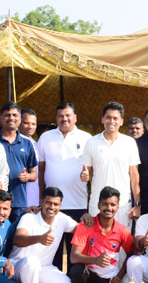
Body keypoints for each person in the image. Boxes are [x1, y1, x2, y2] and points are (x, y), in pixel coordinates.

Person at [9, 187, 79, 283]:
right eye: (48, 203)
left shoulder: (62, 219)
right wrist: (39, 239)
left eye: (56, 204)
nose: (52, 207)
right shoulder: (29, 217)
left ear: (60, 205)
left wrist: (87, 219)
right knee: (32, 261)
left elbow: (82, 230)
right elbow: (18, 239)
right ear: (41, 201)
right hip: (17, 267)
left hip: (43, 268)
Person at [37, 103, 92, 271]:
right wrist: (40, 198)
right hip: (52, 205)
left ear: (75, 117)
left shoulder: (86, 138)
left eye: (68, 115)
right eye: (60, 116)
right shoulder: (46, 138)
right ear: (56, 118)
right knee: (53, 250)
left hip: (78, 204)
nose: (64, 119)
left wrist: (89, 175)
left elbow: (93, 168)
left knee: (76, 249)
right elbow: (41, 169)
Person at [69, 187, 134, 283]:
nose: (108, 208)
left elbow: (131, 254)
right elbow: (74, 257)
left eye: (112, 204)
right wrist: (96, 260)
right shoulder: (86, 225)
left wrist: (120, 276)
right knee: (77, 270)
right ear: (98, 205)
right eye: (104, 204)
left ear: (117, 207)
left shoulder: (122, 230)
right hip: (90, 277)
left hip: (109, 279)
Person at [82, 101, 142, 230]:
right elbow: (87, 173)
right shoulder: (91, 142)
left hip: (122, 205)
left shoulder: (129, 142)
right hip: (97, 204)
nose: (111, 121)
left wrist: (137, 204)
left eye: (115, 118)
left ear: (121, 121)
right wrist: (84, 176)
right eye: (108, 117)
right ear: (102, 119)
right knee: (96, 245)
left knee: (120, 246)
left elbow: (134, 176)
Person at [0, 102, 38, 222]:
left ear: (20, 119)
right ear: (1, 118)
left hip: (18, 201)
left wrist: (27, 176)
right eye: (7, 115)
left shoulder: (27, 142)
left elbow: (34, 174)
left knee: (16, 237)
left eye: (14, 115)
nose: (11, 118)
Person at [19, 108, 41, 208]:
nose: (30, 127)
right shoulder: (12, 143)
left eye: (33, 124)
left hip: (34, 197)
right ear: (18, 121)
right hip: (17, 197)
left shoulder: (37, 145)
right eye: (26, 123)